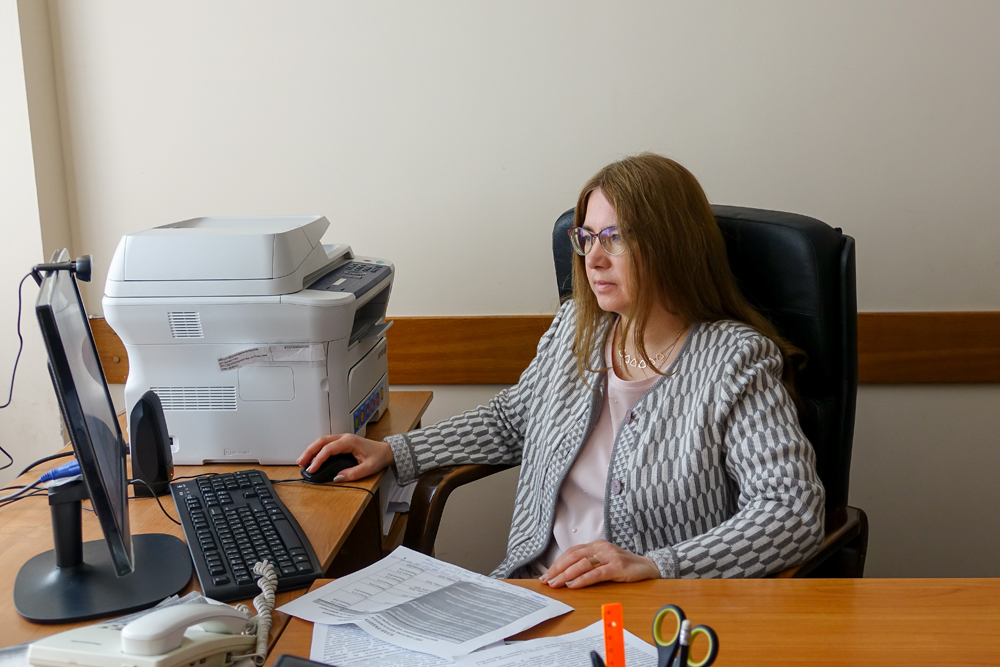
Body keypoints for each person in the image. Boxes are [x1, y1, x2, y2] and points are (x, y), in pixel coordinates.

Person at [298, 153, 825, 588]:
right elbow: (512, 421)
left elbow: (792, 511)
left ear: (672, 243)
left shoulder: (734, 361)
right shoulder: (578, 326)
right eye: (587, 237)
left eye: (615, 237)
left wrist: (657, 565)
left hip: (648, 610)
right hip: (531, 592)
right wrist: (396, 451)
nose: (594, 259)